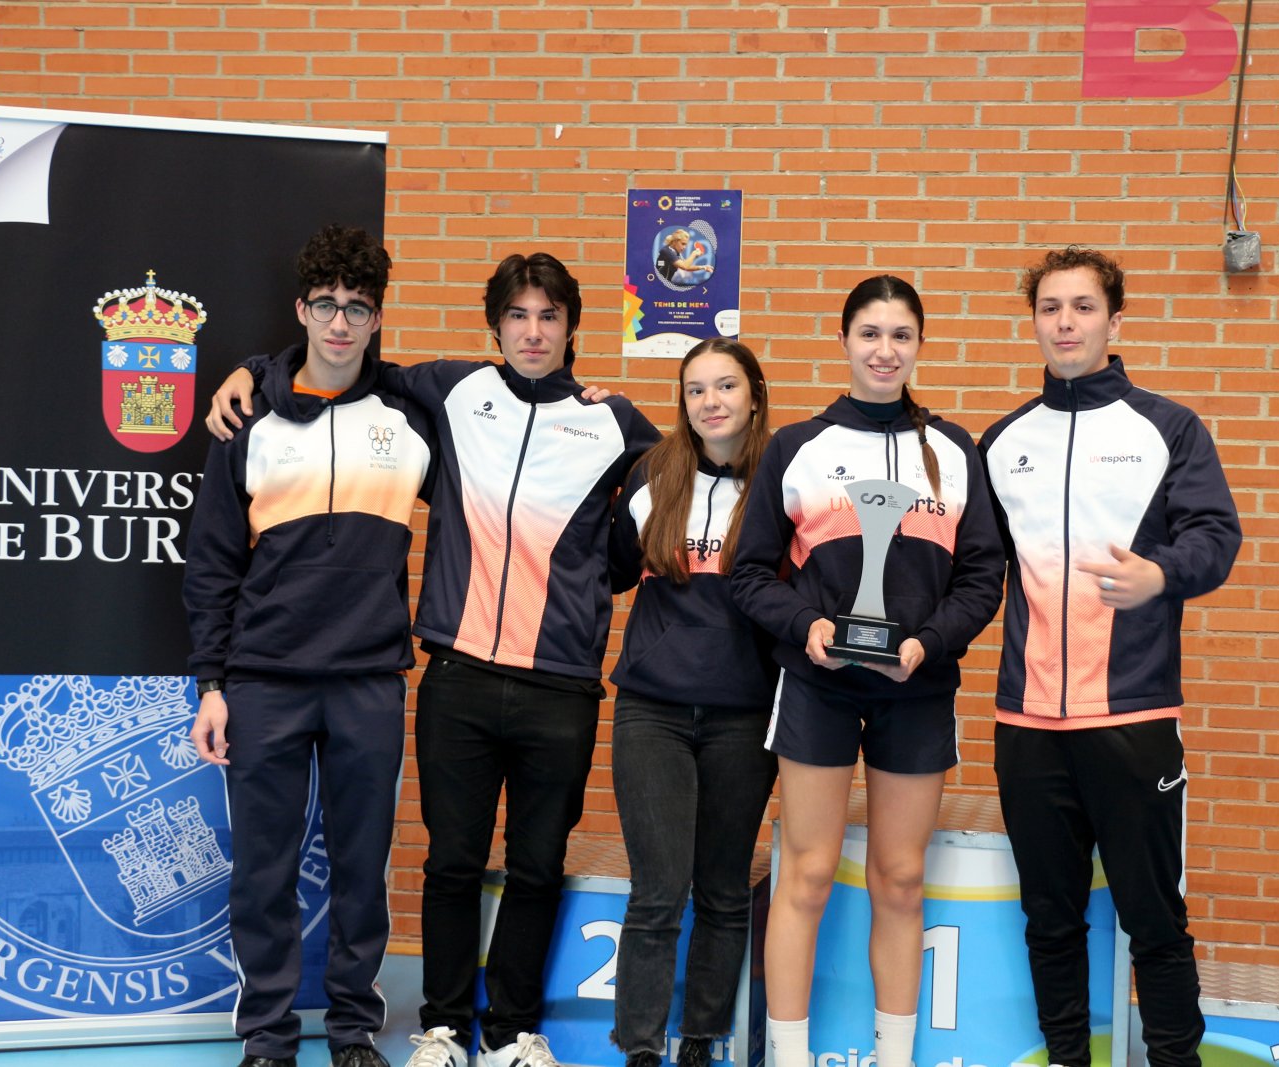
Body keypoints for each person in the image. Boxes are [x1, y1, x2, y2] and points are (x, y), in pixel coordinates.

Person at [206, 253, 660, 1067]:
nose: (532, 331)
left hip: (559, 681)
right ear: (495, 325)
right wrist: (251, 369)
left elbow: (666, 494)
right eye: (517, 315)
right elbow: (338, 366)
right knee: (450, 862)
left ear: (571, 328)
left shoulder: (616, 423)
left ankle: (510, 1032)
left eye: (548, 316)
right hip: (453, 673)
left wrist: (598, 574)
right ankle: (440, 1027)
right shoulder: (450, 392)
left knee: (535, 866)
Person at [729, 276, 1004, 1067]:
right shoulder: (798, 448)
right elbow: (750, 574)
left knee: (901, 876)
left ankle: (894, 1057)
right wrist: (807, 626)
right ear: (845, 340)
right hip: (817, 683)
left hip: (917, 688)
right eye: (871, 334)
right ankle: (786, 1057)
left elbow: (982, 575)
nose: (885, 350)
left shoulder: (954, 450)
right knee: (807, 871)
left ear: (920, 344)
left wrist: (930, 641)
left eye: (901, 335)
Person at [980, 246, 1241, 1067]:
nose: (1066, 323)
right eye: (1050, 307)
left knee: (1154, 920)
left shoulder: (1167, 428)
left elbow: (1216, 535)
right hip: (1028, 725)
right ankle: (1068, 1058)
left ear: (1114, 321)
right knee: (1049, 920)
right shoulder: (1003, 441)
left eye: (1083, 307)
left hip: (1133, 717)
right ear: (1034, 321)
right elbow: (978, 571)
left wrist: (1161, 574)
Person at [185, 224, 432, 1067]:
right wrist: (211, 683)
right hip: (264, 680)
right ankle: (268, 1035)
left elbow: (502, 409)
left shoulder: (411, 415)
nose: (339, 323)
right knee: (264, 871)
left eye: (357, 308)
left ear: (376, 317)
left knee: (362, 867)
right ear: (301, 308)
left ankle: (354, 1028)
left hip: (368, 679)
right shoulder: (248, 416)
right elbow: (212, 563)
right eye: (325, 304)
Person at [606, 338, 778, 1067]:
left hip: (745, 712)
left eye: (726, 386)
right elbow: (615, 569)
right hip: (654, 710)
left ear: (754, 396)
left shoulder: (779, 482)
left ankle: (701, 1041)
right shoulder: (653, 474)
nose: (711, 401)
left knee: (723, 889)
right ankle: (641, 1047)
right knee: (658, 889)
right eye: (696, 388)